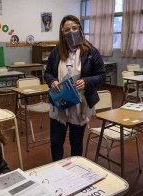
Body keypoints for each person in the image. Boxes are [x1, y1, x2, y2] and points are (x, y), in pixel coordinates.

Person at [44, 15, 106, 161]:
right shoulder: (57, 51)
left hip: (81, 104)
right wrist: (52, 81)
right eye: (66, 30)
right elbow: (47, 73)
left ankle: (76, 169)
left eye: (74, 28)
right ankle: (56, 167)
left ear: (80, 29)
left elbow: (101, 75)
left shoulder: (91, 52)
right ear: (62, 32)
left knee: (76, 141)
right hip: (60, 102)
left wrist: (86, 81)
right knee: (56, 141)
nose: (70, 32)